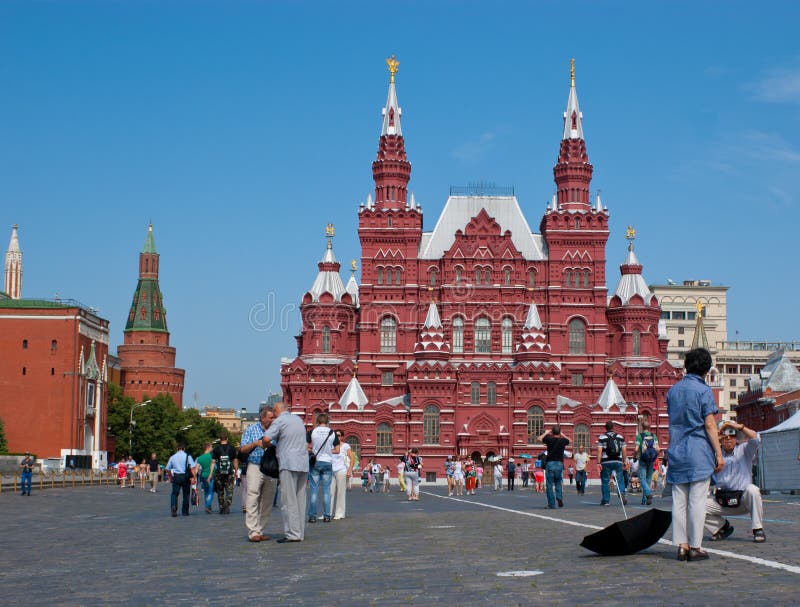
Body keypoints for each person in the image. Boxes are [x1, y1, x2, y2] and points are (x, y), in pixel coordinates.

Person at [666, 347, 724, 562]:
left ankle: (681, 545)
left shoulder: (672, 391)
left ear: (686, 366)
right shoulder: (704, 391)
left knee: (679, 500)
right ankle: (696, 546)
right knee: (697, 500)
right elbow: (710, 424)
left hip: (676, 450)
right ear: (707, 370)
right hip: (698, 450)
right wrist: (719, 454)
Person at [705, 421, 766, 543]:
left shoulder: (744, 450)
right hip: (722, 500)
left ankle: (757, 529)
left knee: (752, 490)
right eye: (725, 437)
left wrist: (739, 427)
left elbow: (756, 438)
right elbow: (704, 447)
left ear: (736, 438)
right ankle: (721, 528)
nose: (728, 440)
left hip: (742, 500)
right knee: (696, 505)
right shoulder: (715, 455)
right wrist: (716, 437)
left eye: (731, 437)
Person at [263, 401, 310, 543]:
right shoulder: (298, 420)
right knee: (300, 500)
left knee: (288, 500)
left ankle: (292, 534)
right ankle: (300, 532)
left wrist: (267, 445)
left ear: (277, 411)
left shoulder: (280, 421)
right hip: (303, 463)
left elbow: (266, 438)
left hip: (288, 463)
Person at [239, 404, 278, 542]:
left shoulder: (276, 431)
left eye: (274, 417)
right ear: (262, 418)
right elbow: (242, 449)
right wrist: (255, 444)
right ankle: (253, 531)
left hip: (272, 468)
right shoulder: (251, 430)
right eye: (270, 417)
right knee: (252, 497)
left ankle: (260, 529)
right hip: (255, 466)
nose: (273, 420)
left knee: (267, 501)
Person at [307, 412, 339, 523]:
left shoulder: (312, 432)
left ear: (317, 421)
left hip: (315, 463)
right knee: (326, 490)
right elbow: (338, 450)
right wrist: (328, 452)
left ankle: (312, 516)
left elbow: (304, 446)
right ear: (327, 422)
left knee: (314, 490)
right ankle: (327, 516)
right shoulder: (332, 433)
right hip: (327, 463)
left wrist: (312, 451)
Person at [597, 421, 629, 507]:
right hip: (618, 461)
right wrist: (624, 461)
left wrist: (598, 462)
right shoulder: (620, 437)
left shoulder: (602, 437)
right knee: (620, 479)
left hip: (606, 462)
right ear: (613, 427)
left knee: (605, 481)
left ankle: (606, 501)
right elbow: (624, 450)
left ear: (605, 427)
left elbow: (599, 450)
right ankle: (621, 493)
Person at [539, 425, 570, 509]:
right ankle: (559, 497)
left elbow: (539, 438)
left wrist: (546, 433)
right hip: (559, 464)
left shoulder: (549, 439)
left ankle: (551, 504)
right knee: (558, 482)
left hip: (550, 463)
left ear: (552, 432)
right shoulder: (563, 440)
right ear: (559, 432)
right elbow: (570, 441)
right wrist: (562, 435)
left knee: (549, 484)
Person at [209, 431, 238, 515]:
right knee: (229, 490)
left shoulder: (216, 449)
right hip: (229, 473)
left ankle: (221, 507)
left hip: (219, 473)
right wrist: (236, 471)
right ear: (227, 439)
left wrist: (211, 474)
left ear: (220, 439)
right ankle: (227, 504)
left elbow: (213, 462)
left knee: (220, 491)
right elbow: (235, 461)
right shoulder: (232, 448)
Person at [165, 443, 196, 517]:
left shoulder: (172, 457)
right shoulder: (188, 456)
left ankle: (173, 507)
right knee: (186, 494)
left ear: (177, 449)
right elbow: (192, 468)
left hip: (176, 476)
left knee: (174, 493)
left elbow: (167, 469)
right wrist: (194, 477)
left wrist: (170, 477)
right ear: (184, 449)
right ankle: (185, 511)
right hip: (185, 477)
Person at [635, 418, 660, 506]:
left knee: (642, 478)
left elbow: (636, 449)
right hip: (651, 459)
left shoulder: (639, 436)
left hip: (643, 459)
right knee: (648, 479)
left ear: (642, 426)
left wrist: (634, 455)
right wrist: (654, 456)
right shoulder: (654, 436)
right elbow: (658, 449)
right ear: (649, 427)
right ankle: (644, 500)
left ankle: (648, 493)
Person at [331, 430, 352, 519]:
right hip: (331, 471)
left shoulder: (345, 446)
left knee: (340, 493)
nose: (337, 437)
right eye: (335, 435)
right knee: (329, 493)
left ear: (342, 437)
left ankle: (339, 514)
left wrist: (349, 470)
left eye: (339, 435)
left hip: (341, 471)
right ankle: (327, 513)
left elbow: (352, 458)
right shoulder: (330, 445)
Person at [195, 444, 214, 512]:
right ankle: (208, 505)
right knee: (211, 491)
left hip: (203, 476)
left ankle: (207, 505)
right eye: (211, 447)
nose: (212, 448)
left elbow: (196, 469)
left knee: (206, 491)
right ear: (208, 447)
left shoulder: (200, 457)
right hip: (211, 476)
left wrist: (194, 477)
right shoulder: (212, 456)